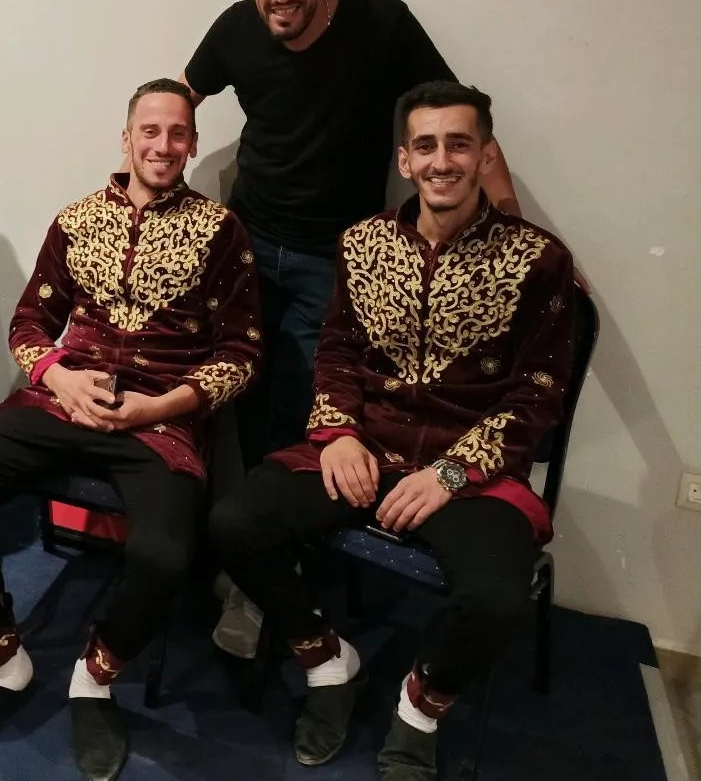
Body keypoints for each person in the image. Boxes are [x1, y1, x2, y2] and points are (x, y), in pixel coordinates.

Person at [181, 0, 523, 656]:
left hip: (335, 260)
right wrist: (141, 180)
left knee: (307, 411)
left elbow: (459, 119)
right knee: (238, 400)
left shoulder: (384, 25)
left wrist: (512, 228)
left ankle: (268, 582)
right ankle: (242, 555)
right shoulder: (235, 29)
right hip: (246, 246)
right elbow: (179, 98)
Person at [208, 80, 575, 781]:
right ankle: (328, 664)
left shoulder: (539, 260)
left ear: (485, 155)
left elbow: (540, 394)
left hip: (469, 469)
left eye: (459, 144)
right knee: (235, 523)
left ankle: (420, 708)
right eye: (425, 146)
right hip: (367, 446)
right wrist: (340, 432)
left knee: (497, 597)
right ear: (404, 160)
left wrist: (453, 473)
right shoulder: (363, 243)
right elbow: (337, 352)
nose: (442, 161)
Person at [0, 79, 263, 781]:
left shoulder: (221, 232)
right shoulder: (77, 219)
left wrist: (158, 408)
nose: (163, 145)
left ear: (193, 143)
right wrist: (57, 376)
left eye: (177, 133)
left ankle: (95, 676)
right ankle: (2, 657)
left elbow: (242, 353)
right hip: (63, 400)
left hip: (159, 417)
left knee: (165, 557)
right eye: (150, 131)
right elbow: (29, 323)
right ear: (126, 137)